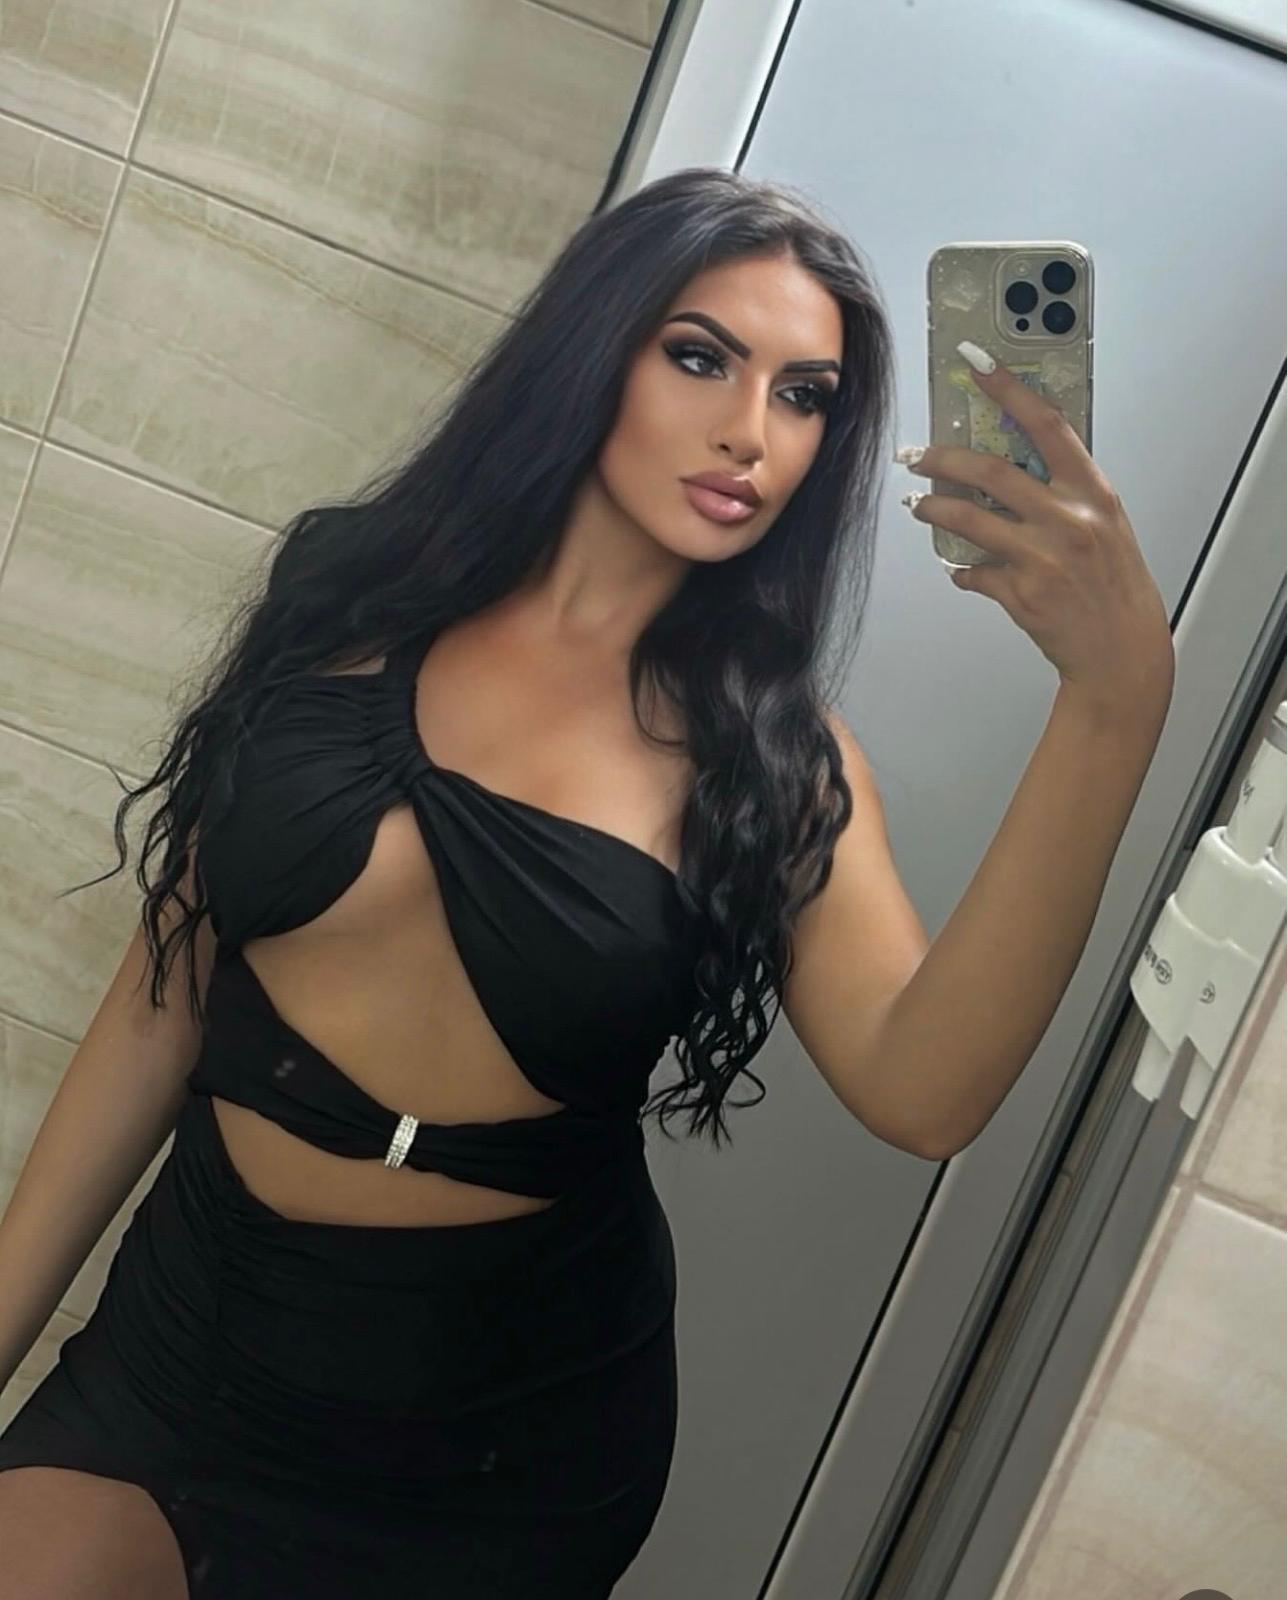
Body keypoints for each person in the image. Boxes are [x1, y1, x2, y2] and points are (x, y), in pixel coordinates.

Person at [0, 164, 1173, 1597]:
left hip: (493, 1446)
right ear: (593, 348)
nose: (752, 432)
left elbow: (925, 1092)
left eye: (805, 397)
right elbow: (160, 1000)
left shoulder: (771, 764)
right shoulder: (347, 599)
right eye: (702, 358)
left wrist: (1113, 708)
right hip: (188, 1343)